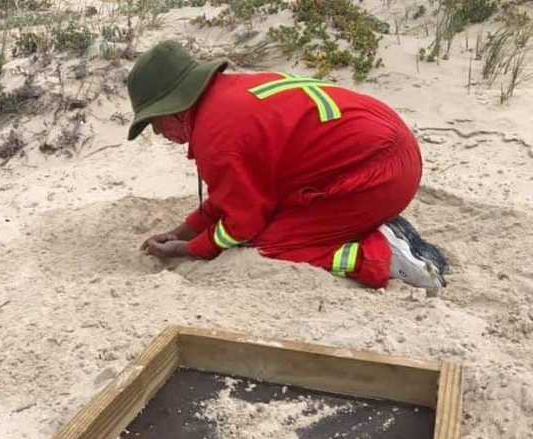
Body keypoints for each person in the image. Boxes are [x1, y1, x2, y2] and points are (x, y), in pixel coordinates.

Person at [129, 41, 448, 289]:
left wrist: (189, 249)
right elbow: (235, 197)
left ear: (175, 109)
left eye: (155, 124)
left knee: (269, 246)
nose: (158, 134)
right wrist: (178, 233)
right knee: (276, 216)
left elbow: (241, 225)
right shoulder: (226, 97)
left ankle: (385, 255)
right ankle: (383, 227)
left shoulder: (218, 138)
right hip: (393, 150)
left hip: (379, 173)